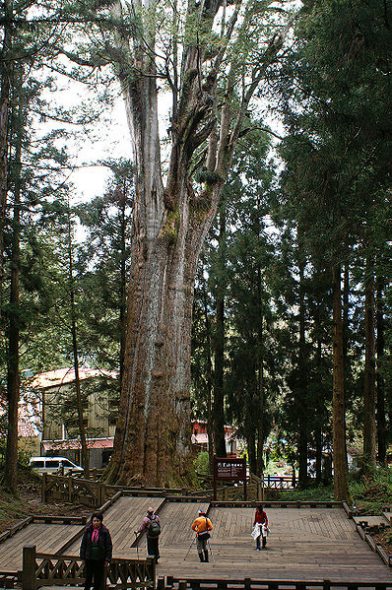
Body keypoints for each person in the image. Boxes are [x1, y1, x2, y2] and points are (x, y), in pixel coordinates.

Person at [80, 512, 112, 590]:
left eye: (98, 521)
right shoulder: (88, 530)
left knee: (98, 577)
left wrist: (107, 559)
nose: (96, 522)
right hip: (89, 557)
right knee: (88, 576)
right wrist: (82, 557)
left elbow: (108, 546)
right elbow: (83, 544)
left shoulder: (105, 531)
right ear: (92, 521)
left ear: (101, 521)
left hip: (100, 557)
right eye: (94, 521)